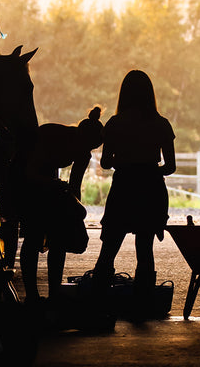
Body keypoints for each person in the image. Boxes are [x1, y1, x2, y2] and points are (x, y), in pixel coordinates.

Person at [91, 70, 176, 318]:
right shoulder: (161, 124)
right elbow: (170, 167)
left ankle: (97, 305)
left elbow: (106, 162)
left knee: (109, 248)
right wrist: (148, 167)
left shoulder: (115, 124)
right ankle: (142, 307)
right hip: (151, 188)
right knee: (145, 249)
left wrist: (126, 163)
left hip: (124, 187)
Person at [19, 107, 104, 303]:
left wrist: (75, 214)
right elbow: (29, 171)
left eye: (90, 148)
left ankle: (54, 294)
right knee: (33, 236)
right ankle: (32, 296)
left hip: (48, 183)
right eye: (85, 146)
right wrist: (52, 184)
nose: (86, 151)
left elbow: (75, 187)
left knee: (58, 238)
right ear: (79, 135)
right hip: (25, 179)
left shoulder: (83, 152)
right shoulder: (52, 134)